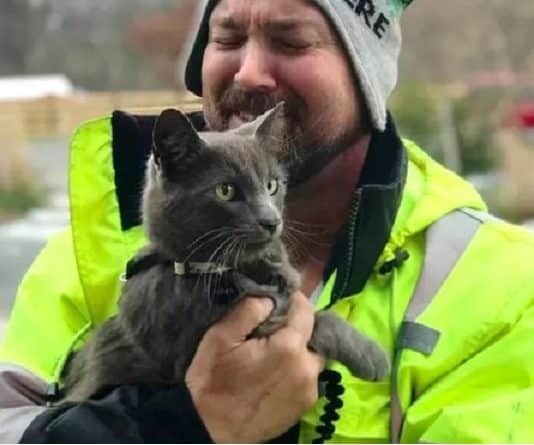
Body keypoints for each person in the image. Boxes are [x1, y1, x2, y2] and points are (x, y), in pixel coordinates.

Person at [1, 0, 534, 442]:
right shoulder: (84, 255)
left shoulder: (499, 284)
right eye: (226, 38)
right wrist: (177, 425)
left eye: (292, 41)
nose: (249, 70)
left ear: (364, 75)